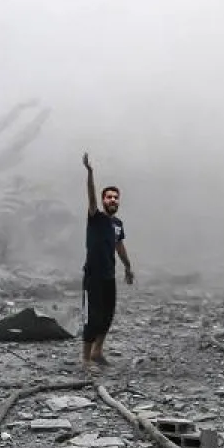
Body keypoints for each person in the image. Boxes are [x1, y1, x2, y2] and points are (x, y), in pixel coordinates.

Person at [81, 153, 134, 370]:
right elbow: (91, 197)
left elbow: (119, 245)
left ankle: (97, 352)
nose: (112, 200)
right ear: (103, 201)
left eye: (115, 197)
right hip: (93, 274)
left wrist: (128, 267)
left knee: (108, 314)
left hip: (109, 275)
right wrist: (91, 173)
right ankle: (84, 359)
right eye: (109, 197)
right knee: (93, 316)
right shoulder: (96, 218)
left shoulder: (118, 224)